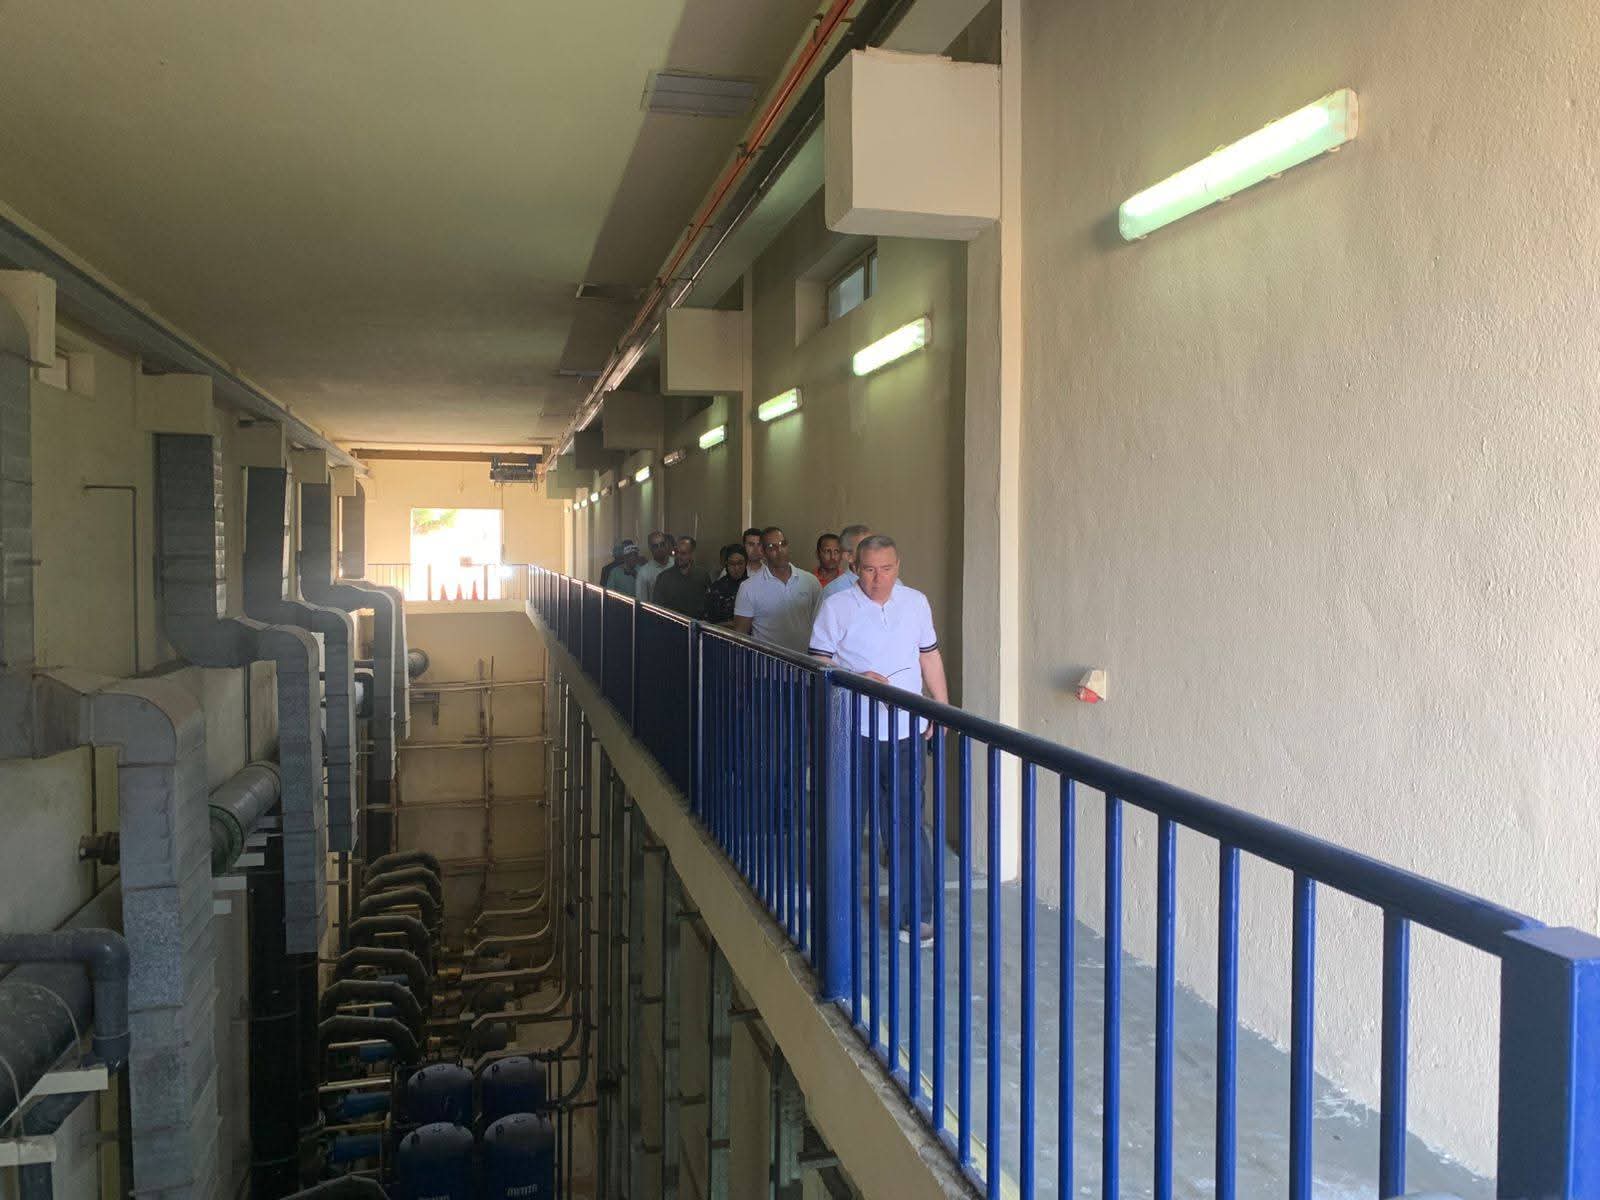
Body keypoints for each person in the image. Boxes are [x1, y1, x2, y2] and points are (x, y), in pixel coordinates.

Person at [809, 534, 948, 943]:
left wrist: (940, 706)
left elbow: (928, 654)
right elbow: (817, 661)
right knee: (847, 818)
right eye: (869, 569)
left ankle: (916, 913)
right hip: (853, 731)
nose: (878, 578)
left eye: (886, 569)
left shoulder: (915, 603)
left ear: (897, 566)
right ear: (855, 568)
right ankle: (837, 903)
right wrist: (855, 676)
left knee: (907, 822)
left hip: (905, 731)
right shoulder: (837, 606)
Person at [732, 526, 820, 653]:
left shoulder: (810, 581)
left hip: (804, 660)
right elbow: (740, 635)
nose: (780, 551)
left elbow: (820, 625)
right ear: (763, 552)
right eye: (772, 547)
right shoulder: (748, 587)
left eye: (782, 544)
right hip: (767, 662)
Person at [651, 536, 711, 618]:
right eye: (676, 552)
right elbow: (657, 608)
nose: (678, 556)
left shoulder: (702, 575)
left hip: (696, 623)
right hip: (670, 623)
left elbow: (708, 604)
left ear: (691, 554)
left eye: (683, 553)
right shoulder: (664, 578)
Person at [820, 523, 871, 600]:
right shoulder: (833, 592)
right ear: (848, 556)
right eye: (865, 548)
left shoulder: (889, 584)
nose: (873, 552)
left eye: (874, 546)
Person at [705, 544, 748, 625]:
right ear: (726, 564)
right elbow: (708, 623)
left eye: (740, 563)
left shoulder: (753, 587)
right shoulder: (715, 589)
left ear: (746, 563)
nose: (736, 568)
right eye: (732, 563)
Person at [636, 531, 672, 602]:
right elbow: (642, 602)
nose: (660, 548)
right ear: (650, 548)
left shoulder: (676, 564)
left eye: (662, 544)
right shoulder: (644, 572)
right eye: (655, 546)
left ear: (667, 544)